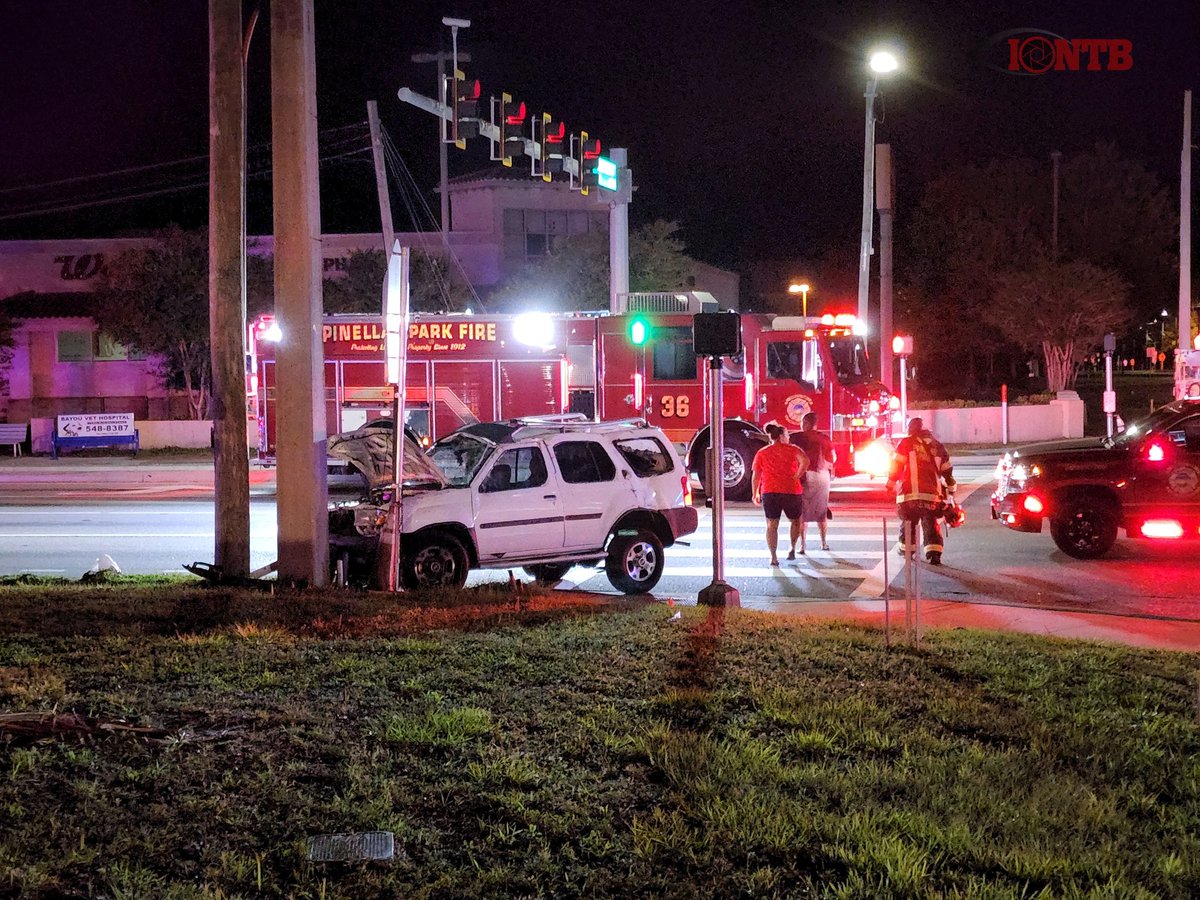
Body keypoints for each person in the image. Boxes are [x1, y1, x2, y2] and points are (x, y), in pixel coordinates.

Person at [886, 416, 956, 566]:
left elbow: (896, 465)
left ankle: (907, 550)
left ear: (910, 429)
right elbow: (948, 472)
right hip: (931, 495)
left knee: (908, 523)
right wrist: (951, 492)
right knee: (930, 524)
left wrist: (890, 483)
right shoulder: (937, 446)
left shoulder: (905, 443)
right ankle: (934, 554)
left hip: (909, 494)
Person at [750, 423, 809, 566]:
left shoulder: (762, 452)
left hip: (770, 492)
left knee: (771, 524)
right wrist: (797, 475)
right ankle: (792, 548)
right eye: (787, 435)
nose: (788, 437)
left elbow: (756, 475)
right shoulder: (793, 449)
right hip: (791, 491)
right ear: (782, 436)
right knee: (795, 521)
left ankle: (773, 557)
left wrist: (755, 493)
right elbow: (805, 461)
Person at [790, 412, 837, 553]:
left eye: (803, 422)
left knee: (803, 513)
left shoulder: (796, 437)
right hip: (822, 477)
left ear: (806, 423)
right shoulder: (824, 438)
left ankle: (802, 546)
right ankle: (823, 543)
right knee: (821, 512)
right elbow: (833, 458)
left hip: (804, 476)